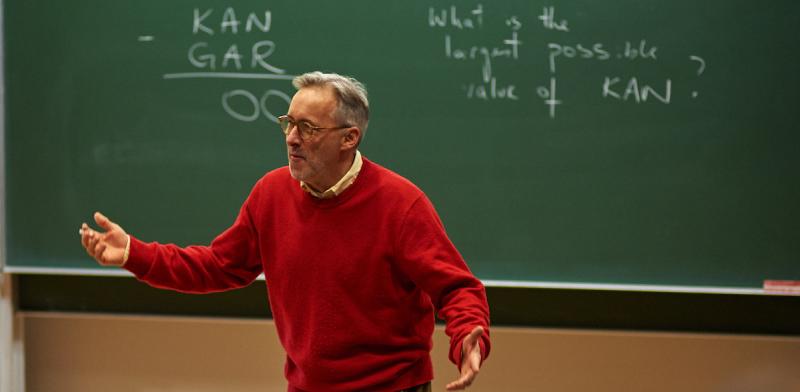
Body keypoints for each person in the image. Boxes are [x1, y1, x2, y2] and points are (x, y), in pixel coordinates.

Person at [79, 71, 491, 392]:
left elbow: (457, 289)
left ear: (350, 138)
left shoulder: (401, 204)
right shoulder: (271, 193)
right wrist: (134, 253)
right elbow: (219, 266)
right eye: (288, 124)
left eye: (308, 128)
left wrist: (467, 339)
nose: (292, 139)